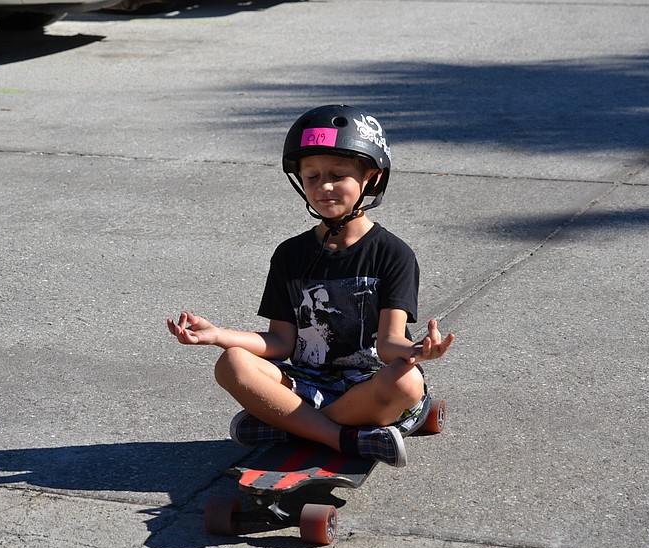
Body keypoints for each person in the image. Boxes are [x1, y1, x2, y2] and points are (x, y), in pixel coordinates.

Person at [167, 105, 454, 467]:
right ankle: (340, 437)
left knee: (407, 383)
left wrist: (419, 350)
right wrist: (217, 335)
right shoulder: (290, 254)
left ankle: (290, 424)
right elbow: (280, 342)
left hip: (366, 385)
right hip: (306, 382)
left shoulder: (393, 254)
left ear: (372, 179)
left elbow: (387, 344)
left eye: (338, 174)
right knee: (232, 363)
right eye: (312, 176)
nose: (325, 186)